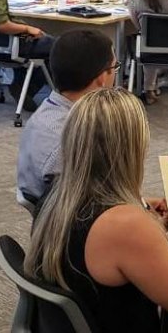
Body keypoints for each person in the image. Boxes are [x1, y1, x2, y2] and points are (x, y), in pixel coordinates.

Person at [24, 88, 168, 331]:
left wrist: (161, 244)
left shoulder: (56, 195)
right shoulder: (122, 223)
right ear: (131, 149)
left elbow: (103, 257)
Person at [17, 29, 119, 204]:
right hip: (75, 223)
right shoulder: (73, 140)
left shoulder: (45, 114)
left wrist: (143, 205)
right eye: (115, 67)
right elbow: (88, 209)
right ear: (102, 77)